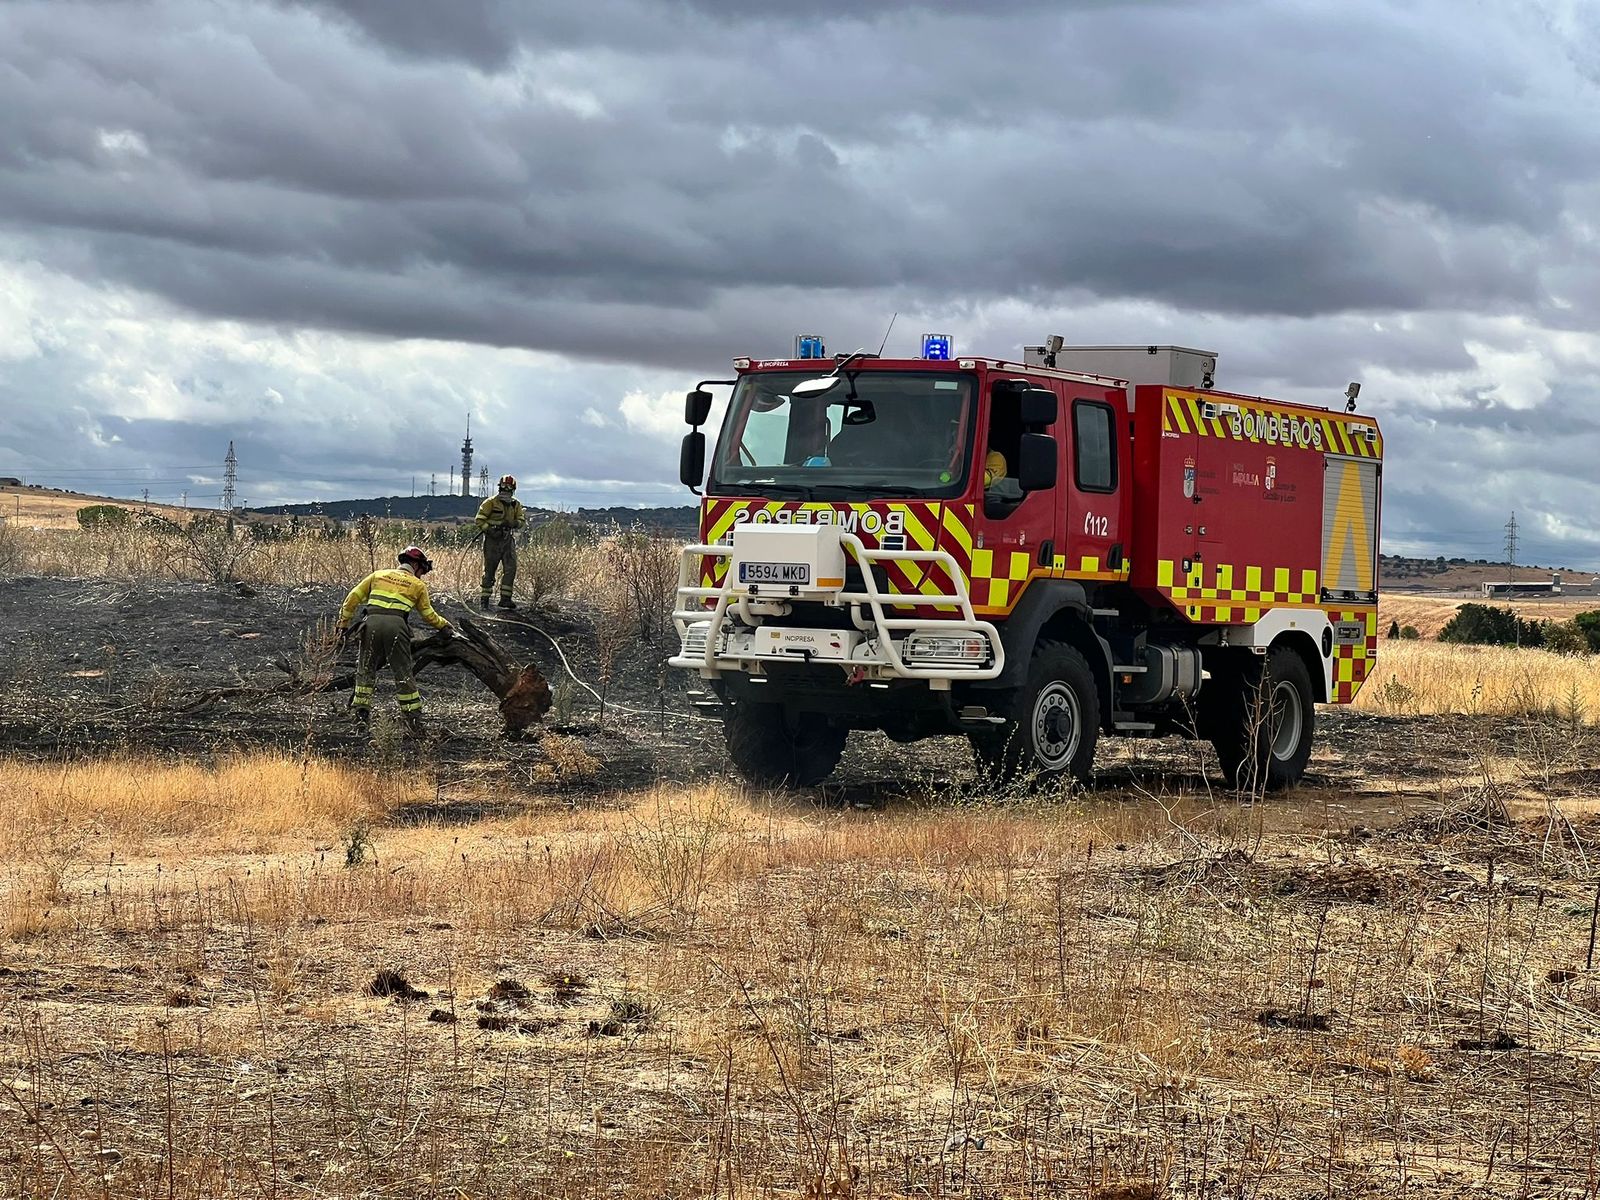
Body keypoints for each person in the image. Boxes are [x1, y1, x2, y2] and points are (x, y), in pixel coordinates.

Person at [337, 546, 453, 735]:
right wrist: (444, 626)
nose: (421, 576)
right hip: (396, 626)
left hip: (370, 624)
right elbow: (428, 615)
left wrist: (342, 625)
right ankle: (413, 719)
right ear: (415, 564)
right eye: (421, 571)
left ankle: (360, 715)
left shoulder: (378, 575)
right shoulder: (417, 585)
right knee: (403, 671)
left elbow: (352, 598)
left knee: (365, 668)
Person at [475, 474, 525, 610]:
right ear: (499, 487)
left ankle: (505, 599)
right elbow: (479, 519)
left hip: (507, 539)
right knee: (490, 569)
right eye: (503, 486)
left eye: (509, 487)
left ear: (513, 489)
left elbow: (521, 521)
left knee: (511, 568)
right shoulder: (490, 502)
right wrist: (490, 530)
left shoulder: (516, 504)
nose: (506, 489)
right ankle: (484, 600)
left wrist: (514, 523)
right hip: (492, 540)